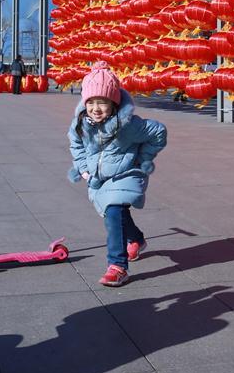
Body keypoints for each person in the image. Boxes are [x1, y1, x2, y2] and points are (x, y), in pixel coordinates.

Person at [67, 62, 167, 287]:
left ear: (114, 102)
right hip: (98, 177)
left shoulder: (129, 125)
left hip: (126, 172)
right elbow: (75, 143)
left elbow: (159, 132)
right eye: (91, 102)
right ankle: (137, 239)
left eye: (101, 102)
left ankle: (117, 265)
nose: (96, 108)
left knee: (113, 210)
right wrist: (83, 167)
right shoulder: (81, 124)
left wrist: (143, 158)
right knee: (115, 214)